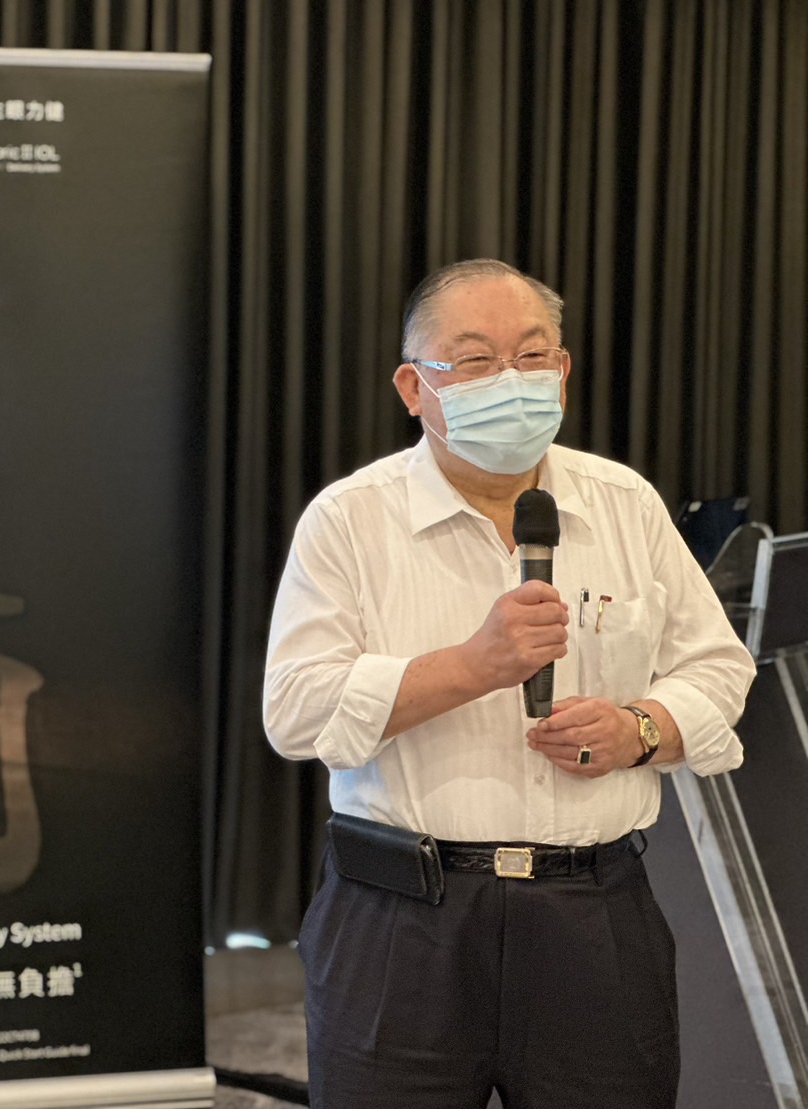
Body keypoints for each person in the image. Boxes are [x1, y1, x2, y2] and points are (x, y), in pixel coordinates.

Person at [263, 258, 755, 1108]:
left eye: (532, 357)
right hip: (401, 922)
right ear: (414, 387)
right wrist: (470, 666)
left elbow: (718, 667)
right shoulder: (349, 519)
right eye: (475, 361)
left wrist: (639, 728)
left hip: (593, 914)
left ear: (561, 371)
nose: (511, 381)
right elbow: (295, 711)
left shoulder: (623, 503)